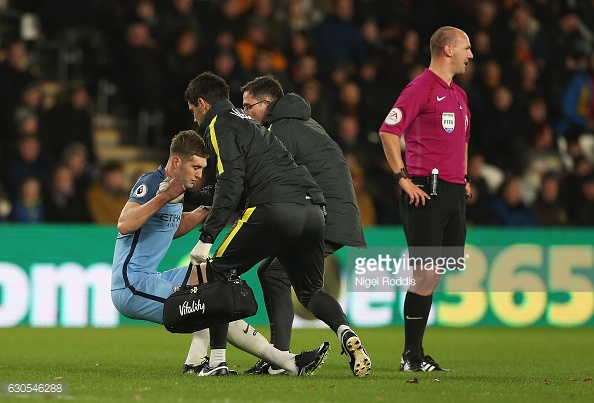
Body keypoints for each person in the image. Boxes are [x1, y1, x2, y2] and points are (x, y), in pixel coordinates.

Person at [183, 72, 371, 377]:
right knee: (305, 287)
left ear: (202, 104)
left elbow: (233, 183)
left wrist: (207, 235)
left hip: (280, 206)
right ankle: (342, 334)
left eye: (193, 111)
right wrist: (196, 196)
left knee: (216, 273)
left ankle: (216, 361)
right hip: (315, 209)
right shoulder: (271, 126)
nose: (194, 119)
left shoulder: (221, 125)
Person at [110, 129, 329, 377]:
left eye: (203, 168)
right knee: (209, 303)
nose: (199, 174)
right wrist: (164, 198)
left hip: (153, 276)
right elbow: (125, 223)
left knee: (213, 280)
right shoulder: (152, 183)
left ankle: (273, 362)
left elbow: (172, 227)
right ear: (176, 161)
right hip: (131, 284)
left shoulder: (177, 192)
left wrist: (209, 210)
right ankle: (284, 362)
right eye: (195, 167)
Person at [378, 26, 473, 372]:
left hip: (452, 192)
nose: (471, 54)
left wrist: (463, 178)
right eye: (466, 47)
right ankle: (411, 356)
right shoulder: (422, 87)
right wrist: (402, 178)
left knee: (435, 275)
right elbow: (388, 130)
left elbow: (462, 141)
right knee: (424, 273)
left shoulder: (459, 96)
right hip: (426, 192)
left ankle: (415, 354)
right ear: (447, 49)